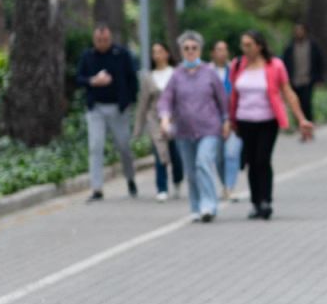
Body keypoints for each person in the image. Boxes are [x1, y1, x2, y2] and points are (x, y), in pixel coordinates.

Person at [230, 30, 314, 221]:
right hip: (244, 120)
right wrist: (231, 119)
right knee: (251, 161)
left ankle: (266, 201)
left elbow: (288, 92)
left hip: (268, 120)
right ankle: (255, 202)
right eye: (243, 45)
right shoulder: (237, 65)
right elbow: (233, 94)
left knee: (263, 159)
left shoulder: (275, 65)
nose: (245, 49)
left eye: (249, 45)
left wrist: (301, 119)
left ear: (259, 46)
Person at [158, 31, 229, 223]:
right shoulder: (176, 75)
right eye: (186, 48)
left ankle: (209, 205)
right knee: (191, 171)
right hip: (184, 131)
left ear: (200, 50)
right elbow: (166, 100)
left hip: (209, 129)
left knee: (203, 163)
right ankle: (196, 207)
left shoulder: (209, 72)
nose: (190, 51)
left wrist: (226, 120)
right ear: (181, 51)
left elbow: (222, 100)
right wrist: (165, 119)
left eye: (194, 48)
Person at [75, 24, 139, 202]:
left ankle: (130, 178)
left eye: (105, 40)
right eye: (98, 40)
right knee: (95, 146)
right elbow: (78, 78)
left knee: (124, 146)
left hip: (118, 108)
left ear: (110, 39)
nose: (102, 43)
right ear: (94, 40)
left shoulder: (122, 54)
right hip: (96, 108)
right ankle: (97, 188)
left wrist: (129, 101)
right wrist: (92, 81)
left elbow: (132, 78)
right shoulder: (88, 56)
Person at [132, 42, 183, 201]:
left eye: (160, 51)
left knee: (176, 154)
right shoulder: (148, 77)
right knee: (160, 152)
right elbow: (143, 104)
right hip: (155, 119)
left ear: (167, 53)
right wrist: (138, 129)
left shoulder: (176, 73)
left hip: (175, 119)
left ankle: (178, 179)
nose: (157, 55)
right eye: (154, 52)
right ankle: (162, 188)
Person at [211, 40, 243, 202]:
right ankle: (225, 184)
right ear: (212, 53)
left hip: (234, 118)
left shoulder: (235, 70)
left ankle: (229, 187)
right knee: (218, 157)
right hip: (213, 120)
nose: (222, 53)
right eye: (218, 50)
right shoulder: (207, 72)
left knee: (231, 153)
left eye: (224, 49)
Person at [282, 22, 324, 123]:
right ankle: (299, 123)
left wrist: (319, 78)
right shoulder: (290, 48)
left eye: (301, 30)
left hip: (307, 80)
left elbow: (319, 62)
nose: (299, 32)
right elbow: (285, 64)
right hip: (294, 80)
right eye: (297, 30)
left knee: (306, 103)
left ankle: (309, 122)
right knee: (296, 103)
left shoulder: (313, 46)